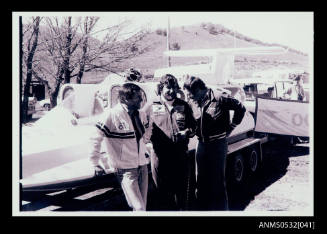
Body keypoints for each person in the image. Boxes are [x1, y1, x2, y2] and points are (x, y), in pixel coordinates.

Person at [183, 76, 246, 210]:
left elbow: (241, 108)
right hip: (202, 145)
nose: (189, 97)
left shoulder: (219, 97)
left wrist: (231, 126)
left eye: (190, 93)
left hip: (218, 145)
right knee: (200, 183)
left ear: (199, 89)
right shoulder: (193, 101)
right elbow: (193, 122)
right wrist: (189, 131)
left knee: (217, 184)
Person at [88, 83, 150, 211]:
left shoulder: (141, 114)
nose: (141, 100)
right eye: (137, 97)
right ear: (125, 98)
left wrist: (146, 152)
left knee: (142, 206)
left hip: (142, 166)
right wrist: (95, 162)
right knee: (139, 208)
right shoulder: (111, 115)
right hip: (125, 169)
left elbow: (145, 135)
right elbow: (95, 138)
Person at [144, 74, 196, 210]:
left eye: (174, 88)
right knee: (163, 195)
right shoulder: (150, 107)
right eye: (168, 88)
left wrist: (188, 132)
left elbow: (193, 127)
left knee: (182, 195)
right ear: (161, 88)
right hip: (160, 157)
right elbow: (141, 127)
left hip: (181, 157)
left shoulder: (183, 105)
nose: (171, 91)